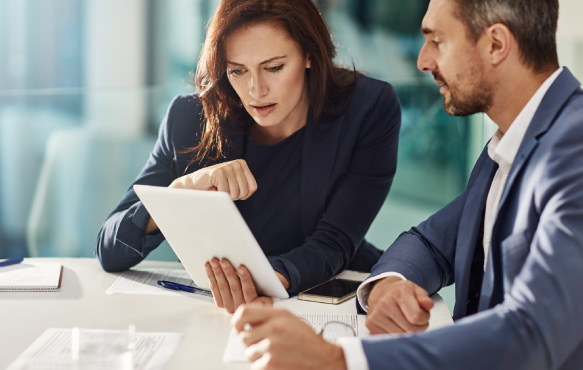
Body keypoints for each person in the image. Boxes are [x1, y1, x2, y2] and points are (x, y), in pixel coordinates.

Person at [232, 0, 583, 368]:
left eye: (437, 41)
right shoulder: (513, 143)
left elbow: (535, 330)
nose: (423, 62)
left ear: (496, 44)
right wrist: (389, 285)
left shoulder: (572, 149)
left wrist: (339, 359)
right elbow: (430, 243)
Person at [95, 0, 401, 314]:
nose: (256, 90)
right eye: (238, 71)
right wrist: (180, 194)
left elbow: (334, 242)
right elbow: (110, 248)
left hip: (327, 295)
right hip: (224, 309)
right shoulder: (190, 119)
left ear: (310, 54)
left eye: (274, 67)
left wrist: (263, 283)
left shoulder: (368, 108)